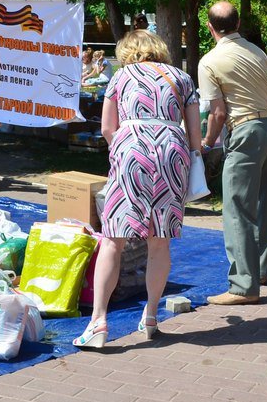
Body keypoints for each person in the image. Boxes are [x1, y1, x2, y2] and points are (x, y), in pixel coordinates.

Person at [73, 30, 203, 349]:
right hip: (172, 152)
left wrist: (124, 148)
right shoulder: (183, 79)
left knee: (113, 240)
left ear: (128, 51)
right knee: (159, 244)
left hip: (131, 148)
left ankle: (98, 323)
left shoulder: (120, 76)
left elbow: (106, 127)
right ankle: (151, 317)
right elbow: (196, 138)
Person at [198, 0, 267, 305]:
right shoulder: (257, 52)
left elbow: (218, 113)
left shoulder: (209, 61)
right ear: (237, 23)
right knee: (263, 201)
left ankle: (243, 287)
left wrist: (207, 143)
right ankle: (259, 270)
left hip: (244, 130)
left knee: (236, 208)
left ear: (209, 27)